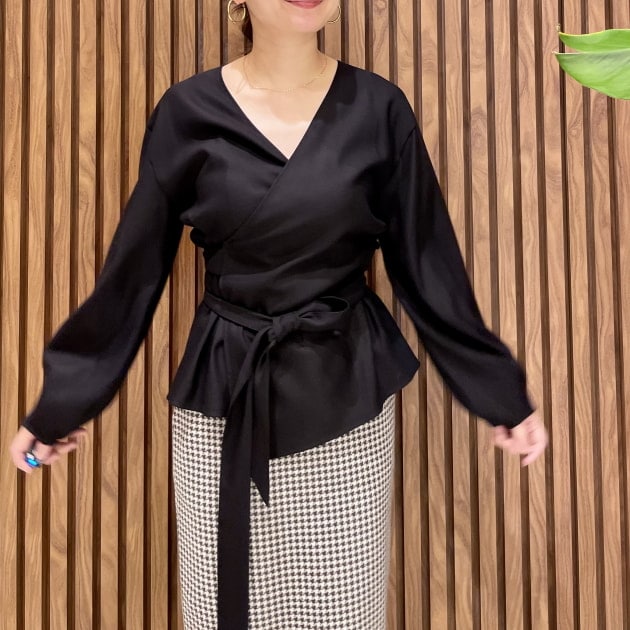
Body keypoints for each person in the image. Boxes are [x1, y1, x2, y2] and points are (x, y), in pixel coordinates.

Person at [9, 0, 549, 628]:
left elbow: (429, 268)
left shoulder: (379, 109)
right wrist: (62, 404)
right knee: (224, 608)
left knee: (343, 612)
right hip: (224, 402)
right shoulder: (187, 112)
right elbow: (132, 273)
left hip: (346, 401)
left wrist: (499, 393)